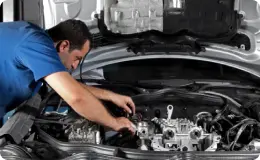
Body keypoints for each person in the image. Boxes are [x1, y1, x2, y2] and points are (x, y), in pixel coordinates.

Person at [0, 19, 136, 133]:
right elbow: (76, 97)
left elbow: (68, 85)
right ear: (64, 45)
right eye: (77, 57)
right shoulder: (34, 43)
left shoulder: (32, 36)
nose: (75, 65)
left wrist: (111, 96)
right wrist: (114, 123)